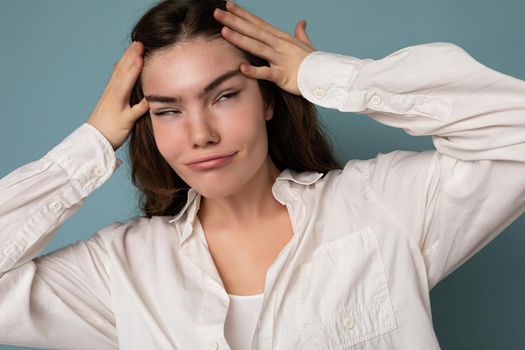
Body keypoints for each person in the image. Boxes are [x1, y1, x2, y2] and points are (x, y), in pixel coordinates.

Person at [1, 0, 524, 349]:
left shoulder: (381, 205)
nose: (200, 133)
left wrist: (327, 77)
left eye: (224, 95)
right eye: (168, 110)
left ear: (269, 99)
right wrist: (91, 143)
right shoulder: (123, 268)